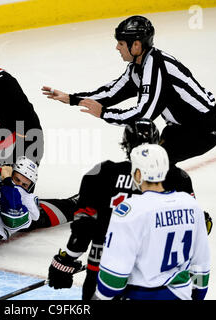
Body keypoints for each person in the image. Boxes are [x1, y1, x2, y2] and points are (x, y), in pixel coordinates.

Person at [41, 15, 216, 192]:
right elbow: (110, 92)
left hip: (204, 130)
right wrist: (72, 99)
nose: (117, 48)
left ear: (136, 45)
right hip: (180, 128)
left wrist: (104, 113)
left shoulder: (156, 66)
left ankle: (187, 210)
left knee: (153, 164)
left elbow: (143, 114)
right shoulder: (138, 66)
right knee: (151, 163)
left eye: (121, 43)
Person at [47, 118, 158, 300]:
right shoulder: (175, 179)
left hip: (103, 265)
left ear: (126, 144)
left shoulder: (101, 172)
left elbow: (84, 226)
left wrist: (66, 260)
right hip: (151, 272)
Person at [93, 143, 210, 300]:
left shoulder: (130, 210)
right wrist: (197, 295)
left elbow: (113, 282)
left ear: (139, 174)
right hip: (181, 294)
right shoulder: (191, 204)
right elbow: (201, 264)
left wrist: (100, 296)